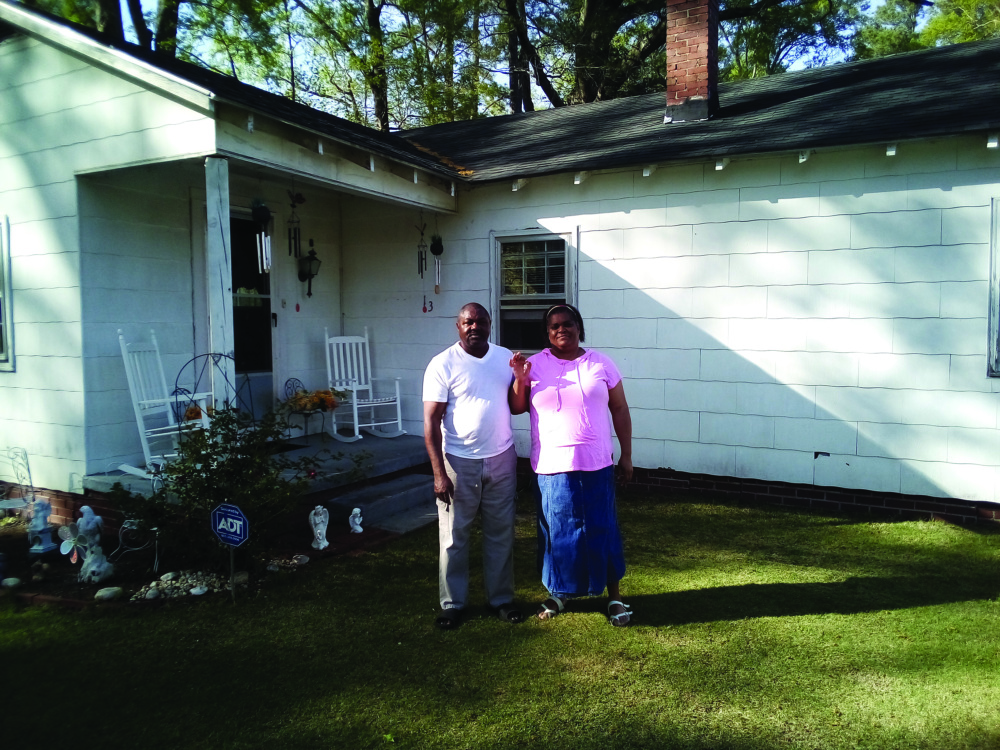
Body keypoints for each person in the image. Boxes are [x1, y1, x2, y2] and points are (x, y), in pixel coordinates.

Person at [510, 303, 634, 627]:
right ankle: (559, 593)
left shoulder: (601, 363)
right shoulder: (535, 365)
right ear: (547, 332)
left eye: (567, 323)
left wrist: (627, 455)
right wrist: (520, 379)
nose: (561, 329)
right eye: (553, 326)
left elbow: (619, 409)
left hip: (596, 464)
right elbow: (517, 406)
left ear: (579, 326)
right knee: (557, 532)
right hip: (552, 466)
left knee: (602, 529)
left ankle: (615, 596)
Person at [423, 303, 523, 629]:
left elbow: (516, 405)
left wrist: (521, 377)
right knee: (454, 536)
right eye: (468, 322)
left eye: (480, 321)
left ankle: (502, 600)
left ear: (490, 324)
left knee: (500, 533)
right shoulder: (442, 364)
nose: (474, 326)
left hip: (502, 458)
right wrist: (439, 474)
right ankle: (452, 603)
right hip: (458, 462)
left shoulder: (503, 358)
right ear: (458, 326)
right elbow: (430, 422)